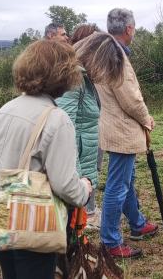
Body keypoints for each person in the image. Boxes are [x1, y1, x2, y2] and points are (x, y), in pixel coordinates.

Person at [0, 40, 93, 279]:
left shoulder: (7, 108)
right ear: (63, 76)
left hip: (1, 215)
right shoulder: (57, 119)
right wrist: (85, 188)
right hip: (32, 223)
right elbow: (65, 185)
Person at [79, 9, 158, 259]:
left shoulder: (103, 49)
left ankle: (137, 223)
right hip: (122, 130)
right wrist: (147, 119)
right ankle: (111, 242)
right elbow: (131, 100)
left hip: (112, 127)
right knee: (118, 186)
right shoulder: (115, 55)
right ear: (130, 29)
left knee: (126, 181)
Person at [56, 23, 103, 229]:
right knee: (70, 222)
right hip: (77, 163)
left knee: (76, 224)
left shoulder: (86, 76)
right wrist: (75, 173)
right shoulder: (74, 77)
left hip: (86, 155)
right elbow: (65, 126)